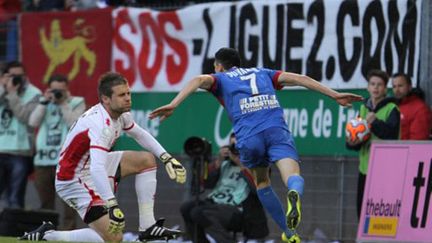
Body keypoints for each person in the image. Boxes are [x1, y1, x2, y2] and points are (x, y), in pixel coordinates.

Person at [149, 47, 362, 243]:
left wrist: (174, 104)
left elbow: (197, 79)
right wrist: (334, 95)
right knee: (293, 177)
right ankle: (294, 194)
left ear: (219, 66)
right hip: (276, 130)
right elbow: (300, 78)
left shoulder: (220, 78)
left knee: (262, 183)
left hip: (249, 137)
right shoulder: (263, 73)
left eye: (215, 66)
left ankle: (289, 233)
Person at [20, 72, 186, 242]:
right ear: (106, 99)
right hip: (72, 180)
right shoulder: (99, 125)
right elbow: (96, 168)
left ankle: (148, 226)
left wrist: (166, 157)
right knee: (114, 238)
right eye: (122, 95)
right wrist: (111, 203)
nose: (128, 98)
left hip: (91, 165)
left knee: (146, 160)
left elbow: (140, 134)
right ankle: (49, 235)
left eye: (128, 93)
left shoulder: (120, 114)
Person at [180, 133, 268, 243]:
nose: (236, 149)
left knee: (199, 213)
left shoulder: (257, 164)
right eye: (232, 146)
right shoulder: (224, 163)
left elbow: (258, 189)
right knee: (186, 208)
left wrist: (241, 164)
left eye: (238, 146)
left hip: (238, 210)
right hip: (215, 203)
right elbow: (206, 184)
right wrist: (218, 161)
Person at [28, 74, 86, 230]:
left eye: (61, 90)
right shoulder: (44, 102)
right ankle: (48, 232)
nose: (57, 93)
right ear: (48, 89)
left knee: (69, 202)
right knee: (46, 202)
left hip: (67, 160)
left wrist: (63, 104)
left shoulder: (76, 102)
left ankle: (69, 233)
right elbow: (33, 122)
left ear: (67, 88)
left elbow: (75, 123)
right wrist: (44, 102)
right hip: (43, 160)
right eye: (54, 90)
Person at [346, 69, 400, 218]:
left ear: (385, 88)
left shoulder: (392, 108)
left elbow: (391, 135)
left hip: (385, 170)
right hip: (365, 168)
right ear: (367, 87)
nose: (376, 88)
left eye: (380, 85)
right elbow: (359, 138)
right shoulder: (364, 108)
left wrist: (375, 122)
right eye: (373, 84)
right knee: (362, 211)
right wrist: (352, 142)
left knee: (381, 212)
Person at [0, 61, 41, 208]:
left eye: (20, 76)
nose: (17, 79)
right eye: (12, 75)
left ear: (25, 76)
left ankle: (13, 229)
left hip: (21, 152)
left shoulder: (34, 93)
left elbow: (25, 117)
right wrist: (3, 87)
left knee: (15, 196)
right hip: (1, 149)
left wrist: (12, 94)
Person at [391, 73, 431, 140]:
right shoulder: (393, 106)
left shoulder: (420, 109)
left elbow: (417, 142)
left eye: (400, 86)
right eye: (394, 86)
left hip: (405, 149)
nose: (397, 90)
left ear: (410, 87)